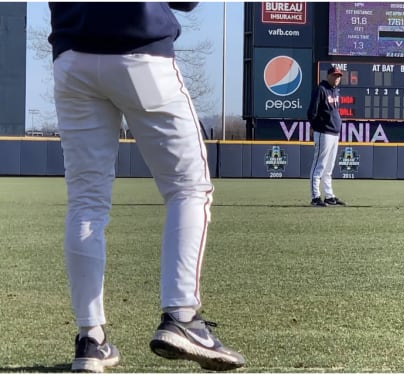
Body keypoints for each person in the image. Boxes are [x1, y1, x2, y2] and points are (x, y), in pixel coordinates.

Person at [48, 3, 245, 372]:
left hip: (72, 57)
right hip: (140, 51)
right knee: (189, 188)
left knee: (86, 201)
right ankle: (182, 315)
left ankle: (91, 338)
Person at [307, 66, 347, 207]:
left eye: (339, 76)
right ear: (328, 75)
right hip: (323, 132)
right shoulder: (321, 89)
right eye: (335, 75)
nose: (337, 78)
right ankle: (315, 197)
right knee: (319, 165)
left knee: (329, 167)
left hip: (334, 133)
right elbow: (312, 111)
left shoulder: (335, 91)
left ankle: (329, 196)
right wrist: (314, 126)